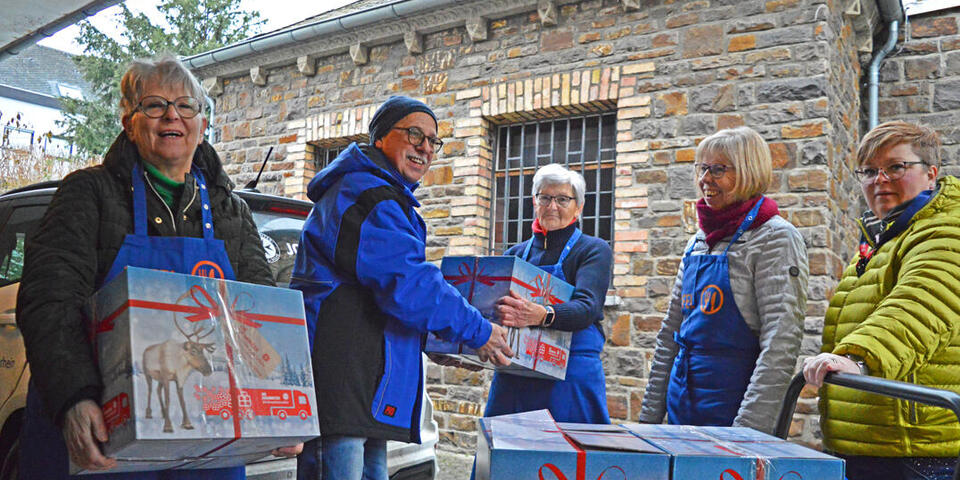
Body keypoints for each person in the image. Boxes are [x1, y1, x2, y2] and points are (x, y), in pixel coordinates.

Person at [15, 56, 300, 479]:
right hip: (106, 431)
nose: (172, 115)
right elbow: (49, 301)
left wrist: (277, 400)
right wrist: (74, 397)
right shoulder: (88, 194)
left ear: (202, 125)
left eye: (186, 106)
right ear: (129, 122)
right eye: (154, 105)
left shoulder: (231, 212)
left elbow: (257, 313)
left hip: (208, 439)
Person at [290, 95, 513, 480]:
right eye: (414, 134)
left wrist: (434, 341)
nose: (425, 147)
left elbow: (383, 293)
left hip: (370, 384)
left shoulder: (386, 196)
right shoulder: (364, 194)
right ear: (380, 138)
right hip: (343, 380)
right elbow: (408, 282)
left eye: (432, 140)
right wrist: (479, 332)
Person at [802, 121, 960, 480]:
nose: (880, 179)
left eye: (896, 167)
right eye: (870, 171)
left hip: (914, 450)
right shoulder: (883, 240)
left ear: (931, 174)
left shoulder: (945, 230)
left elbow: (922, 302)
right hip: (870, 443)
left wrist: (857, 359)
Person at [638, 126, 808, 434]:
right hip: (683, 406)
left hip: (733, 412)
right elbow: (669, 335)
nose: (705, 179)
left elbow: (780, 344)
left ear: (748, 172)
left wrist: (748, 433)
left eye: (718, 169)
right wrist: (647, 424)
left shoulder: (775, 238)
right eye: (702, 168)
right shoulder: (699, 241)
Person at [483, 163, 613, 424]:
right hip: (515, 376)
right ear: (535, 201)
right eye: (545, 198)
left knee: (568, 460)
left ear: (578, 206)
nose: (553, 206)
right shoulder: (514, 255)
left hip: (570, 376)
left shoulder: (593, 250)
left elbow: (588, 307)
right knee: (507, 456)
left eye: (563, 199)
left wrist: (542, 315)